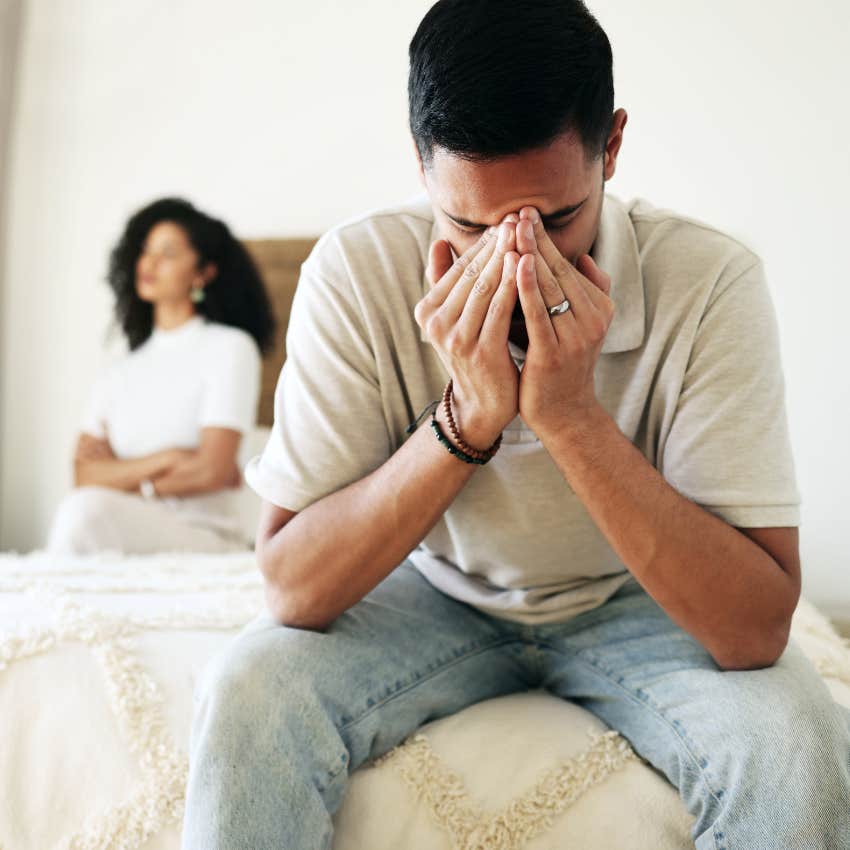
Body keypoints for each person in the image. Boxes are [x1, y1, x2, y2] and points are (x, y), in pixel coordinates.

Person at [182, 2, 850, 847]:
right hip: (430, 592)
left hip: (638, 604)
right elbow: (291, 587)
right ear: (420, 163)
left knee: (794, 736)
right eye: (469, 227)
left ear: (611, 146)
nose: (514, 260)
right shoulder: (355, 270)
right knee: (250, 689)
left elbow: (756, 627)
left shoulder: (711, 280)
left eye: (557, 220)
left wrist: (571, 420)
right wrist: (467, 418)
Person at [47, 197, 276, 555]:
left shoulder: (229, 348)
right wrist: (168, 457)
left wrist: (124, 477)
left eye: (167, 253)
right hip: (122, 523)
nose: (149, 262)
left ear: (203, 272)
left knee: (84, 512)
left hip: (204, 534)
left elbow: (214, 470)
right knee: (81, 508)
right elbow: (84, 475)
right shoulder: (120, 369)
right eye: (146, 251)